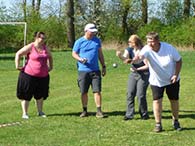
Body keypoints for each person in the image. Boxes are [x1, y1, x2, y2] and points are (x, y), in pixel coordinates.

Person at [133, 32, 182, 132]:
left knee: (174, 100)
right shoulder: (146, 49)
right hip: (157, 80)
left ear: (158, 41)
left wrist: (175, 75)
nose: (150, 44)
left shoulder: (169, 48)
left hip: (172, 79)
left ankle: (176, 121)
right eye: (148, 42)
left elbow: (179, 60)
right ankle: (158, 124)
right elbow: (139, 58)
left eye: (152, 42)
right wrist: (131, 60)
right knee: (157, 101)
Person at [15, 31, 53, 119]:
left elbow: (50, 57)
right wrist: (17, 65)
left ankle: (40, 112)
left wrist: (50, 67)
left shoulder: (45, 48)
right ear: (36, 38)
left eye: (44, 38)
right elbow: (18, 54)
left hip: (43, 76)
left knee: (40, 95)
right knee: (26, 94)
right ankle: (25, 113)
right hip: (28, 75)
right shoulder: (30, 46)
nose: (43, 40)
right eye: (41, 38)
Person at [72, 23, 106, 118]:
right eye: (91, 32)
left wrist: (103, 66)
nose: (93, 34)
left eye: (94, 32)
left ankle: (99, 111)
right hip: (83, 70)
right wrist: (80, 59)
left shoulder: (97, 41)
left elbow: (100, 54)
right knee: (84, 91)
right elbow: (74, 53)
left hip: (95, 70)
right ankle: (84, 110)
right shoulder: (79, 42)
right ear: (86, 31)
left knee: (97, 91)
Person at [116, 34, 150, 120]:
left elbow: (147, 66)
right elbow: (125, 59)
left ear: (135, 42)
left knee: (140, 95)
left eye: (130, 41)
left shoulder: (143, 50)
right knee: (130, 93)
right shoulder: (129, 49)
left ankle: (144, 114)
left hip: (144, 74)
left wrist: (137, 69)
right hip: (133, 74)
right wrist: (120, 56)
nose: (129, 43)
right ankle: (129, 114)